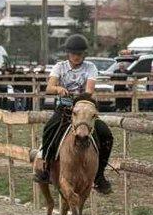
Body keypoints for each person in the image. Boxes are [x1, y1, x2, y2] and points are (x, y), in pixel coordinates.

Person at [33, 34, 114, 193]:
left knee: (106, 134)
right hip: (64, 109)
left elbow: (89, 90)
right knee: (49, 129)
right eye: (73, 54)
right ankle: (46, 167)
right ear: (68, 54)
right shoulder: (59, 67)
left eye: (80, 54)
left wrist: (81, 98)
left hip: (83, 111)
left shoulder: (90, 67)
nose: (77, 57)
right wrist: (58, 89)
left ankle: (100, 174)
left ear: (84, 54)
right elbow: (49, 87)